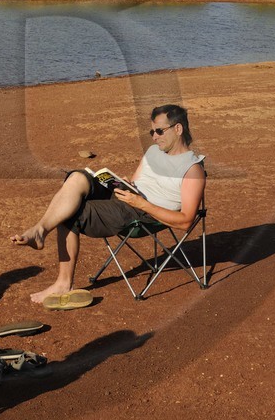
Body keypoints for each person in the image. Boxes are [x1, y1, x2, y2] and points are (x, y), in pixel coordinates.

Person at [11, 104, 206, 304]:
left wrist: (140, 203)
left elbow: (185, 222)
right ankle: (40, 230)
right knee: (78, 177)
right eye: (151, 132)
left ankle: (63, 283)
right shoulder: (153, 151)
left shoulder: (192, 170)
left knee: (71, 212)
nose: (154, 137)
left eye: (159, 131)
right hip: (129, 198)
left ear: (178, 129)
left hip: (143, 215)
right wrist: (126, 184)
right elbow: (138, 181)